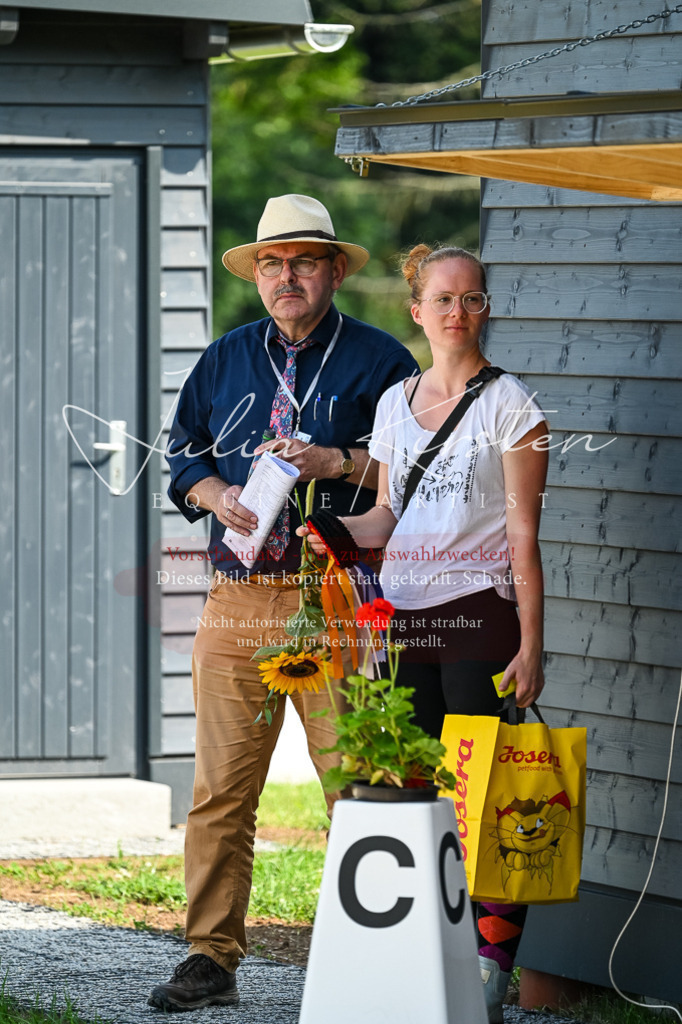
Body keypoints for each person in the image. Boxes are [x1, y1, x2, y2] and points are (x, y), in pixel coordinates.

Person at [148, 194, 419, 1012]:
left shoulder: (382, 362)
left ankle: (374, 956)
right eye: (272, 263)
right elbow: (180, 453)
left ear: (335, 270)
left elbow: (415, 473)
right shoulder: (225, 357)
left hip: (336, 596)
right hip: (237, 598)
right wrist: (214, 490)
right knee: (221, 792)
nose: (287, 276)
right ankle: (210, 957)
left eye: (304, 261)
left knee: (357, 784)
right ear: (257, 274)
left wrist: (336, 461)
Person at [300, 243, 548, 1023]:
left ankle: (489, 973)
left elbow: (523, 539)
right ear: (417, 310)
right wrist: (333, 531)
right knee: (413, 792)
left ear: (485, 307)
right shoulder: (394, 405)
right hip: (403, 622)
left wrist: (531, 643)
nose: (458, 312)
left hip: (480, 614)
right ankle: (421, 956)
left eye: (472, 298)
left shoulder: (515, 407)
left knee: (484, 798)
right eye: (443, 299)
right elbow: (387, 518)